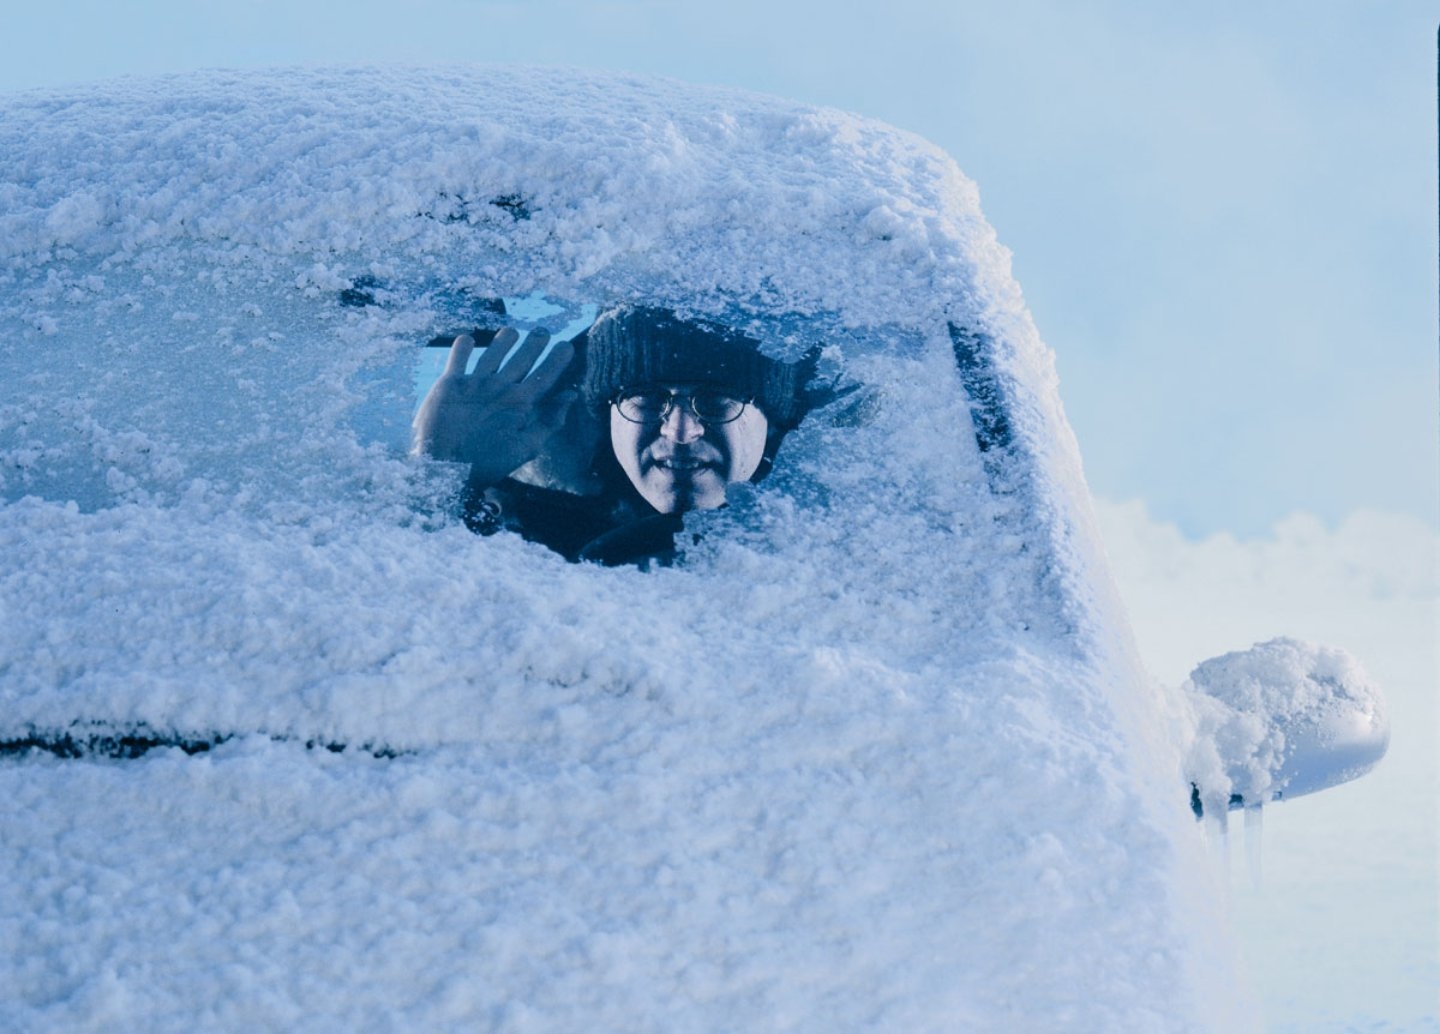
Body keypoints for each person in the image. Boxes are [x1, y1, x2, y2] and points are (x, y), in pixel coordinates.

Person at [412, 304, 816, 565]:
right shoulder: (535, 521)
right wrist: (443, 476)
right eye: (645, 400)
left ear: (772, 419)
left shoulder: (840, 526)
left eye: (716, 402)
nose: (679, 431)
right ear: (609, 417)